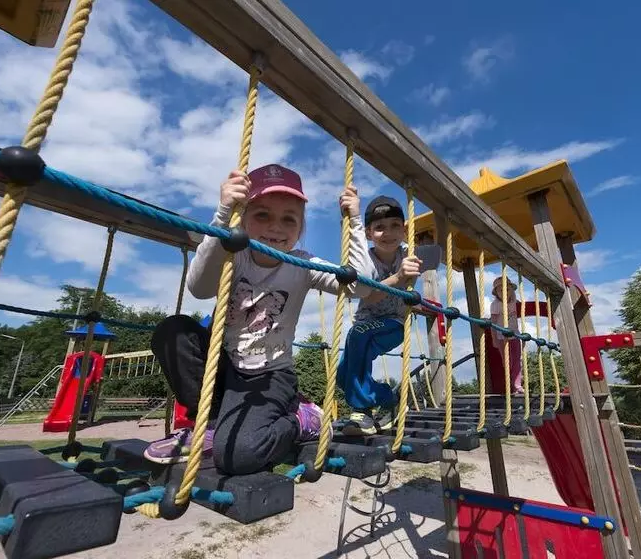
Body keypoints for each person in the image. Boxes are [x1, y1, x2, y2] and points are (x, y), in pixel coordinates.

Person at [144, 164, 374, 474]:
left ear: (300, 228)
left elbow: (359, 286)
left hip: (269, 377)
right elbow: (199, 288)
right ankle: (209, 424)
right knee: (173, 331)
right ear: (244, 217)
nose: (276, 227)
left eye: (288, 219)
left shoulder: (303, 265)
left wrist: (355, 221)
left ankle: (302, 419)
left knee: (239, 455)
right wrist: (223, 213)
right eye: (262, 215)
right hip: (223, 365)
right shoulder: (232, 253)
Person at [337, 196, 441, 436]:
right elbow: (369, 297)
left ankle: (362, 412)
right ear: (369, 233)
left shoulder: (410, 254)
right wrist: (398, 277)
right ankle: (388, 398)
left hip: (394, 323)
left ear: (404, 230)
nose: (388, 233)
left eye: (395, 225)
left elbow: (439, 251)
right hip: (366, 324)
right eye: (380, 227)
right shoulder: (367, 261)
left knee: (357, 337)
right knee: (344, 377)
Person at [490, 276, 523, 394]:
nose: (505, 292)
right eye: (501, 290)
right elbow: (493, 323)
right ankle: (511, 384)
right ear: (496, 293)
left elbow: (521, 307)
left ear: (512, 290)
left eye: (507, 289)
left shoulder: (514, 300)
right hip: (502, 337)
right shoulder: (495, 305)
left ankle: (518, 385)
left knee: (517, 360)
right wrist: (494, 339)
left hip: (515, 335)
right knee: (507, 361)